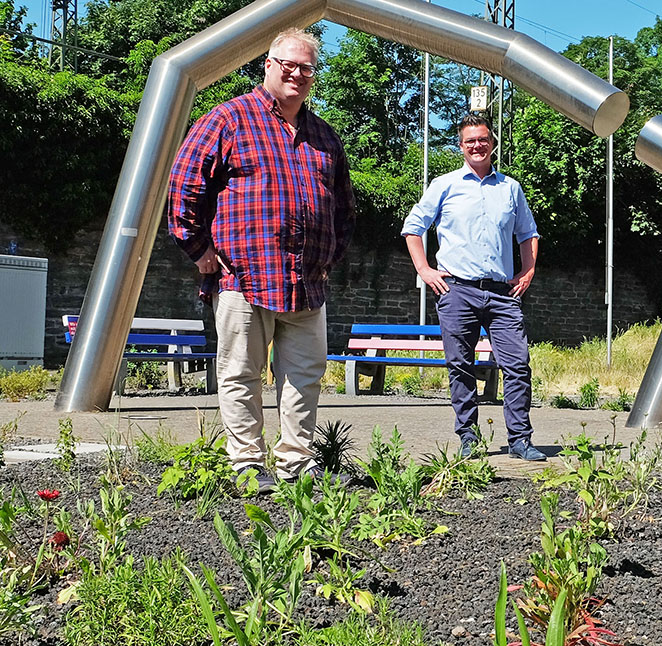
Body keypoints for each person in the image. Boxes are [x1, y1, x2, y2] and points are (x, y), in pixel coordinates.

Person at [167, 28, 355, 490]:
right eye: (288, 64)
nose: (297, 74)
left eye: (306, 68)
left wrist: (330, 256)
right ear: (268, 65)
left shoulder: (324, 137)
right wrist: (200, 251)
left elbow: (344, 207)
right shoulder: (227, 119)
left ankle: (296, 462)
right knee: (241, 374)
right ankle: (248, 462)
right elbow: (184, 189)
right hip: (244, 277)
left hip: (307, 281)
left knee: (305, 377)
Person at [401, 114, 546, 461]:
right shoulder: (444, 185)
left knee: (517, 365)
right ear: (461, 146)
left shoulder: (510, 188)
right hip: (456, 291)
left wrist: (528, 272)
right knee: (460, 366)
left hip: (502, 293)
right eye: (470, 141)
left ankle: (520, 440)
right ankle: (469, 437)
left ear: (493, 144)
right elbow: (413, 227)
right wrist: (424, 269)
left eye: (483, 139)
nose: (477, 146)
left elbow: (528, 233)